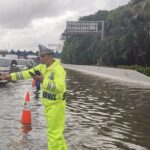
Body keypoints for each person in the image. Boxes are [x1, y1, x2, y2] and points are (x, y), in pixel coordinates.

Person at [1, 44, 68, 150]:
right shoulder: (42, 67)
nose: (39, 57)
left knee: (53, 136)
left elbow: (60, 88)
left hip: (56, 106)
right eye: (39, 55)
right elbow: (26, 73)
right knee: (57, 135)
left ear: (50, 56)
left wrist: (43, 81)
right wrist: (10, 76)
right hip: (49, 105)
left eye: (42, 56)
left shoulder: (58, 70)